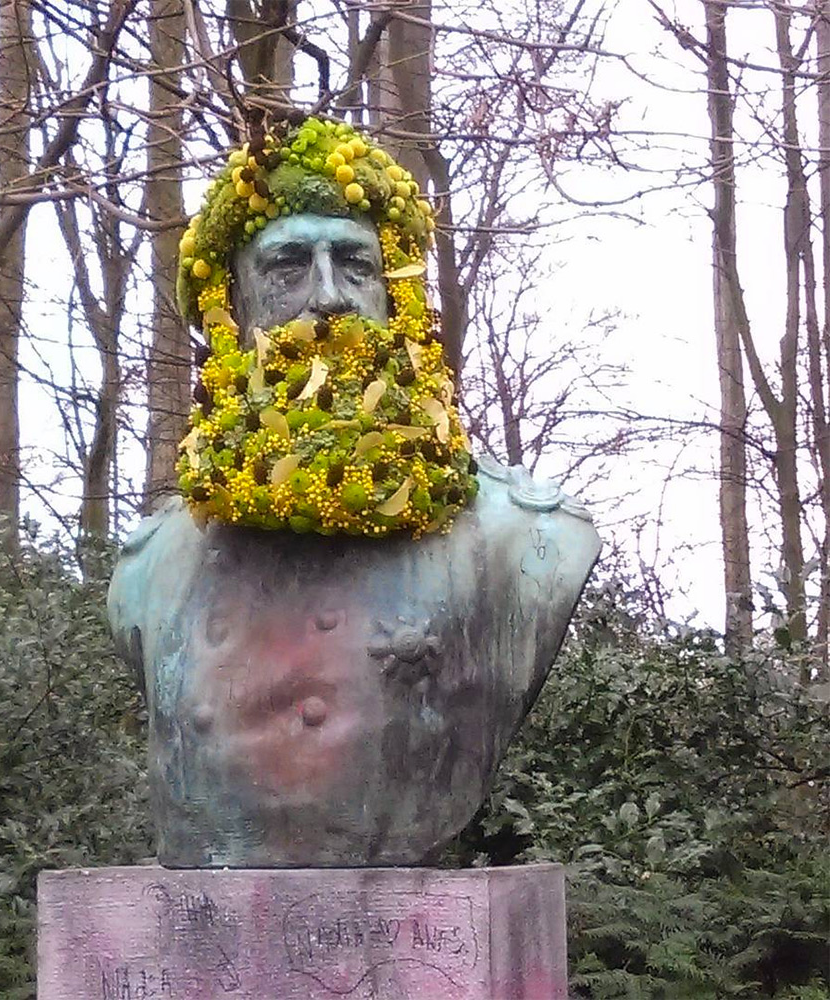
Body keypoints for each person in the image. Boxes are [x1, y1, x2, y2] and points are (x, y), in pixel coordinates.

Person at [108, 116, 601, 868]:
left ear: (395, 295)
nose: (329, 297)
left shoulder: (525, 538)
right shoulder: (150, 566)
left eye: (356, 265)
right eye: (287, 268)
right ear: (232, 309)